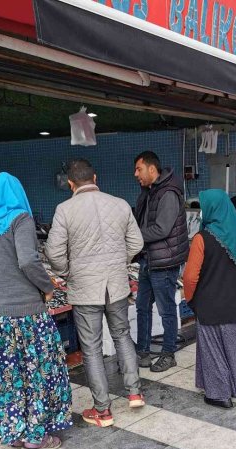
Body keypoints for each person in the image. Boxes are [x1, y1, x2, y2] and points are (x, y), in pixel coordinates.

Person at [0, 172, 72, 449]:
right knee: (36, 373)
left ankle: (15, 432)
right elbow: (27, 259)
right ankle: (36, 437)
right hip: (27, 315)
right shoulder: (21, 220)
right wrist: (47, 287)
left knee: (6, 376)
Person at [46, 159, 145, 428]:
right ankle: (134, 392)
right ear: (95, 177)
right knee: (123, 335)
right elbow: (136, 242)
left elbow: (53, 252)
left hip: (85, 289)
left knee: (91, 348)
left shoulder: (64, 210)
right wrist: (117, 262)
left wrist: (68, 271)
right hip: (116, 286)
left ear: (70, 183)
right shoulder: (120, 203)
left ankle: (103, 409)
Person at [183, 189, 236, 409]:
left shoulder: (201, 239)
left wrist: (190, 299)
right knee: (231, 350)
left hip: (209, 306)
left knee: (214, 351)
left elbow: (190, 276)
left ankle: (219, 394)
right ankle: (233, 388)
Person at [133, 151, 190, 374]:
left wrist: (133, 235)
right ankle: (143, 351)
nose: (135, 174)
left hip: (164, 263)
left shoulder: (167, 193)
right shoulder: (149, 192)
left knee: (166, 310)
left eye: (139, 169)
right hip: (148, 259)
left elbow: (162, 229)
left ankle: (168, 354)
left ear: (151, 169)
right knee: (142, 307)